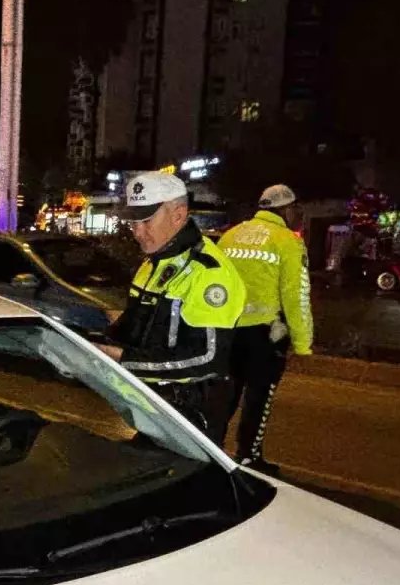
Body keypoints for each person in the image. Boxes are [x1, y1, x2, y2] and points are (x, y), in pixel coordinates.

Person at [95, 172, 246, 443]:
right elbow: (134, 328)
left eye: (146, 221)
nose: (137, 232)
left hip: (191, 416)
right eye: (133, 222)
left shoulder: (208, 272)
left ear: (178, 214)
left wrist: (125, 358)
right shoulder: (152, 264)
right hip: (155, 408)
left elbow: (206, 358)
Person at [219, 184, 314, 473]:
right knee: (258, 397)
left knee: (224, 394)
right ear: (286, 209)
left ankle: (208, 446)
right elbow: (296, 296)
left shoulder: (230, 235)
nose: (298, 214)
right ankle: (249, 456)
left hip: (226, 331)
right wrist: (303, 344)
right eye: (296, 209)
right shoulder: (287, 242)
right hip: (266, 334)